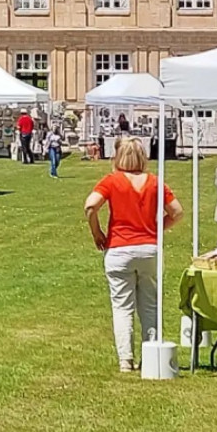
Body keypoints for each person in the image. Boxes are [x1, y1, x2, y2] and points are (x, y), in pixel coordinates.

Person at [84, 139, 184, 373]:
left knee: (122, 307)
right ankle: (151, 356)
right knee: (150, 305)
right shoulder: (155, 183)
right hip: (149, 248)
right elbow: (178, 212)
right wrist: (159, 227)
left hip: (119, 248)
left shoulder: (112, 181)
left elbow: (90, 206)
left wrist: (97, 231)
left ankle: (125, 360)